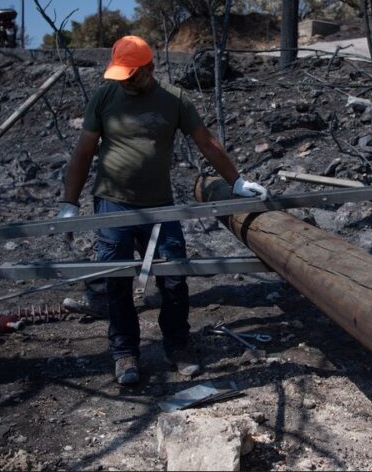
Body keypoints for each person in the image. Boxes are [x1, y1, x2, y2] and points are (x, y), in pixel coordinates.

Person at [57, 35, 268, 386]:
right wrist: (69, 202)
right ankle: (125, 354)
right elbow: (83, 152)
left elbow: (205, 141)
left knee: (174, 277)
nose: (125, 80)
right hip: (113, 202)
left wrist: (236, 181)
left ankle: (178, 346)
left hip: (158, 204)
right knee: (118, 280)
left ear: (150, 69)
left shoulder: (173, 100)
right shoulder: (104, 96)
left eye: (132, 74)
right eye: (120, 74)